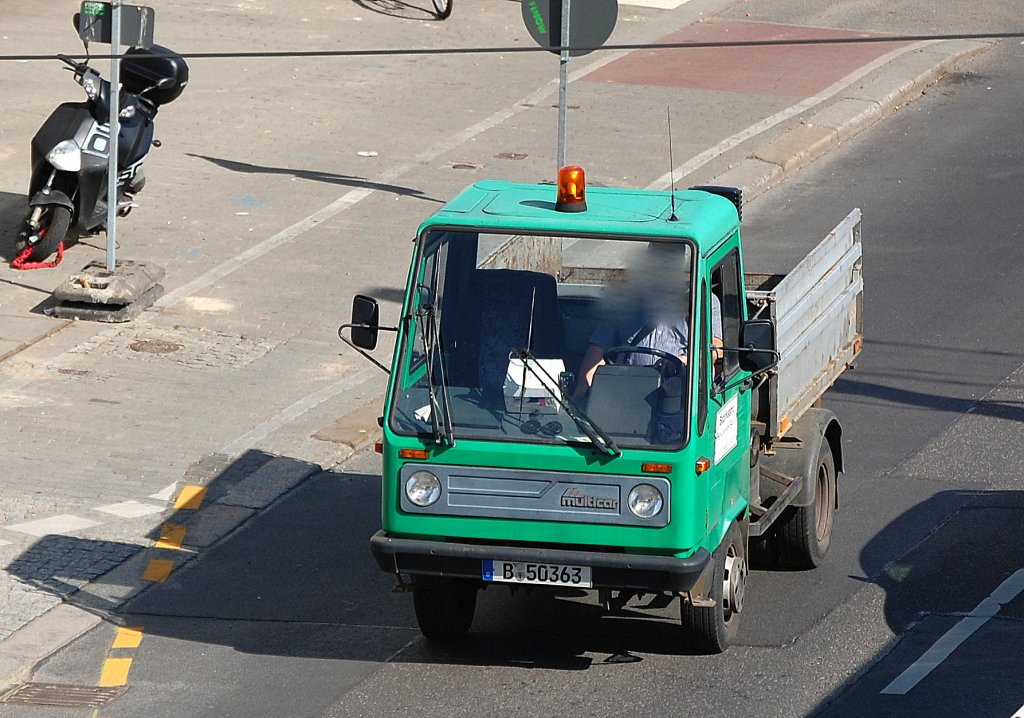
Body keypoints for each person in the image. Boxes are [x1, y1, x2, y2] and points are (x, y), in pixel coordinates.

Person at [573, 291, 723, 399]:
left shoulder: (701, 298)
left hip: (677, 392)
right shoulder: (624, 302)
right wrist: (581, 393)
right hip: (625, 388)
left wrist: (687, 360)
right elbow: (598, 348)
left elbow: (716, 348)